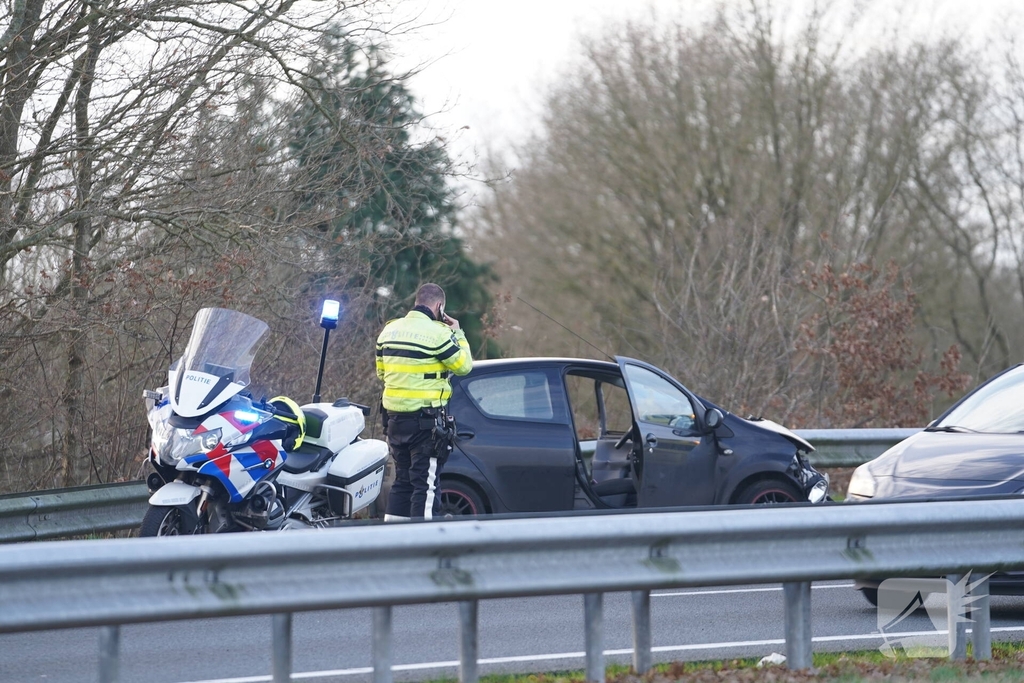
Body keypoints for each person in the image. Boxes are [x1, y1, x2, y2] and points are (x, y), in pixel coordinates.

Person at [376, 283, 473, 520]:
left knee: (402, 481)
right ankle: (423, 549)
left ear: (416, 301)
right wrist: (458, 333)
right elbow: (464, 366)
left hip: (394, 421)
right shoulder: (439, 334)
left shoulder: (389, 330)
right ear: (439, 306)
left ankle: (394, 543)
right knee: (426, 486)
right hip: (425, 424)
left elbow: (382, 373)